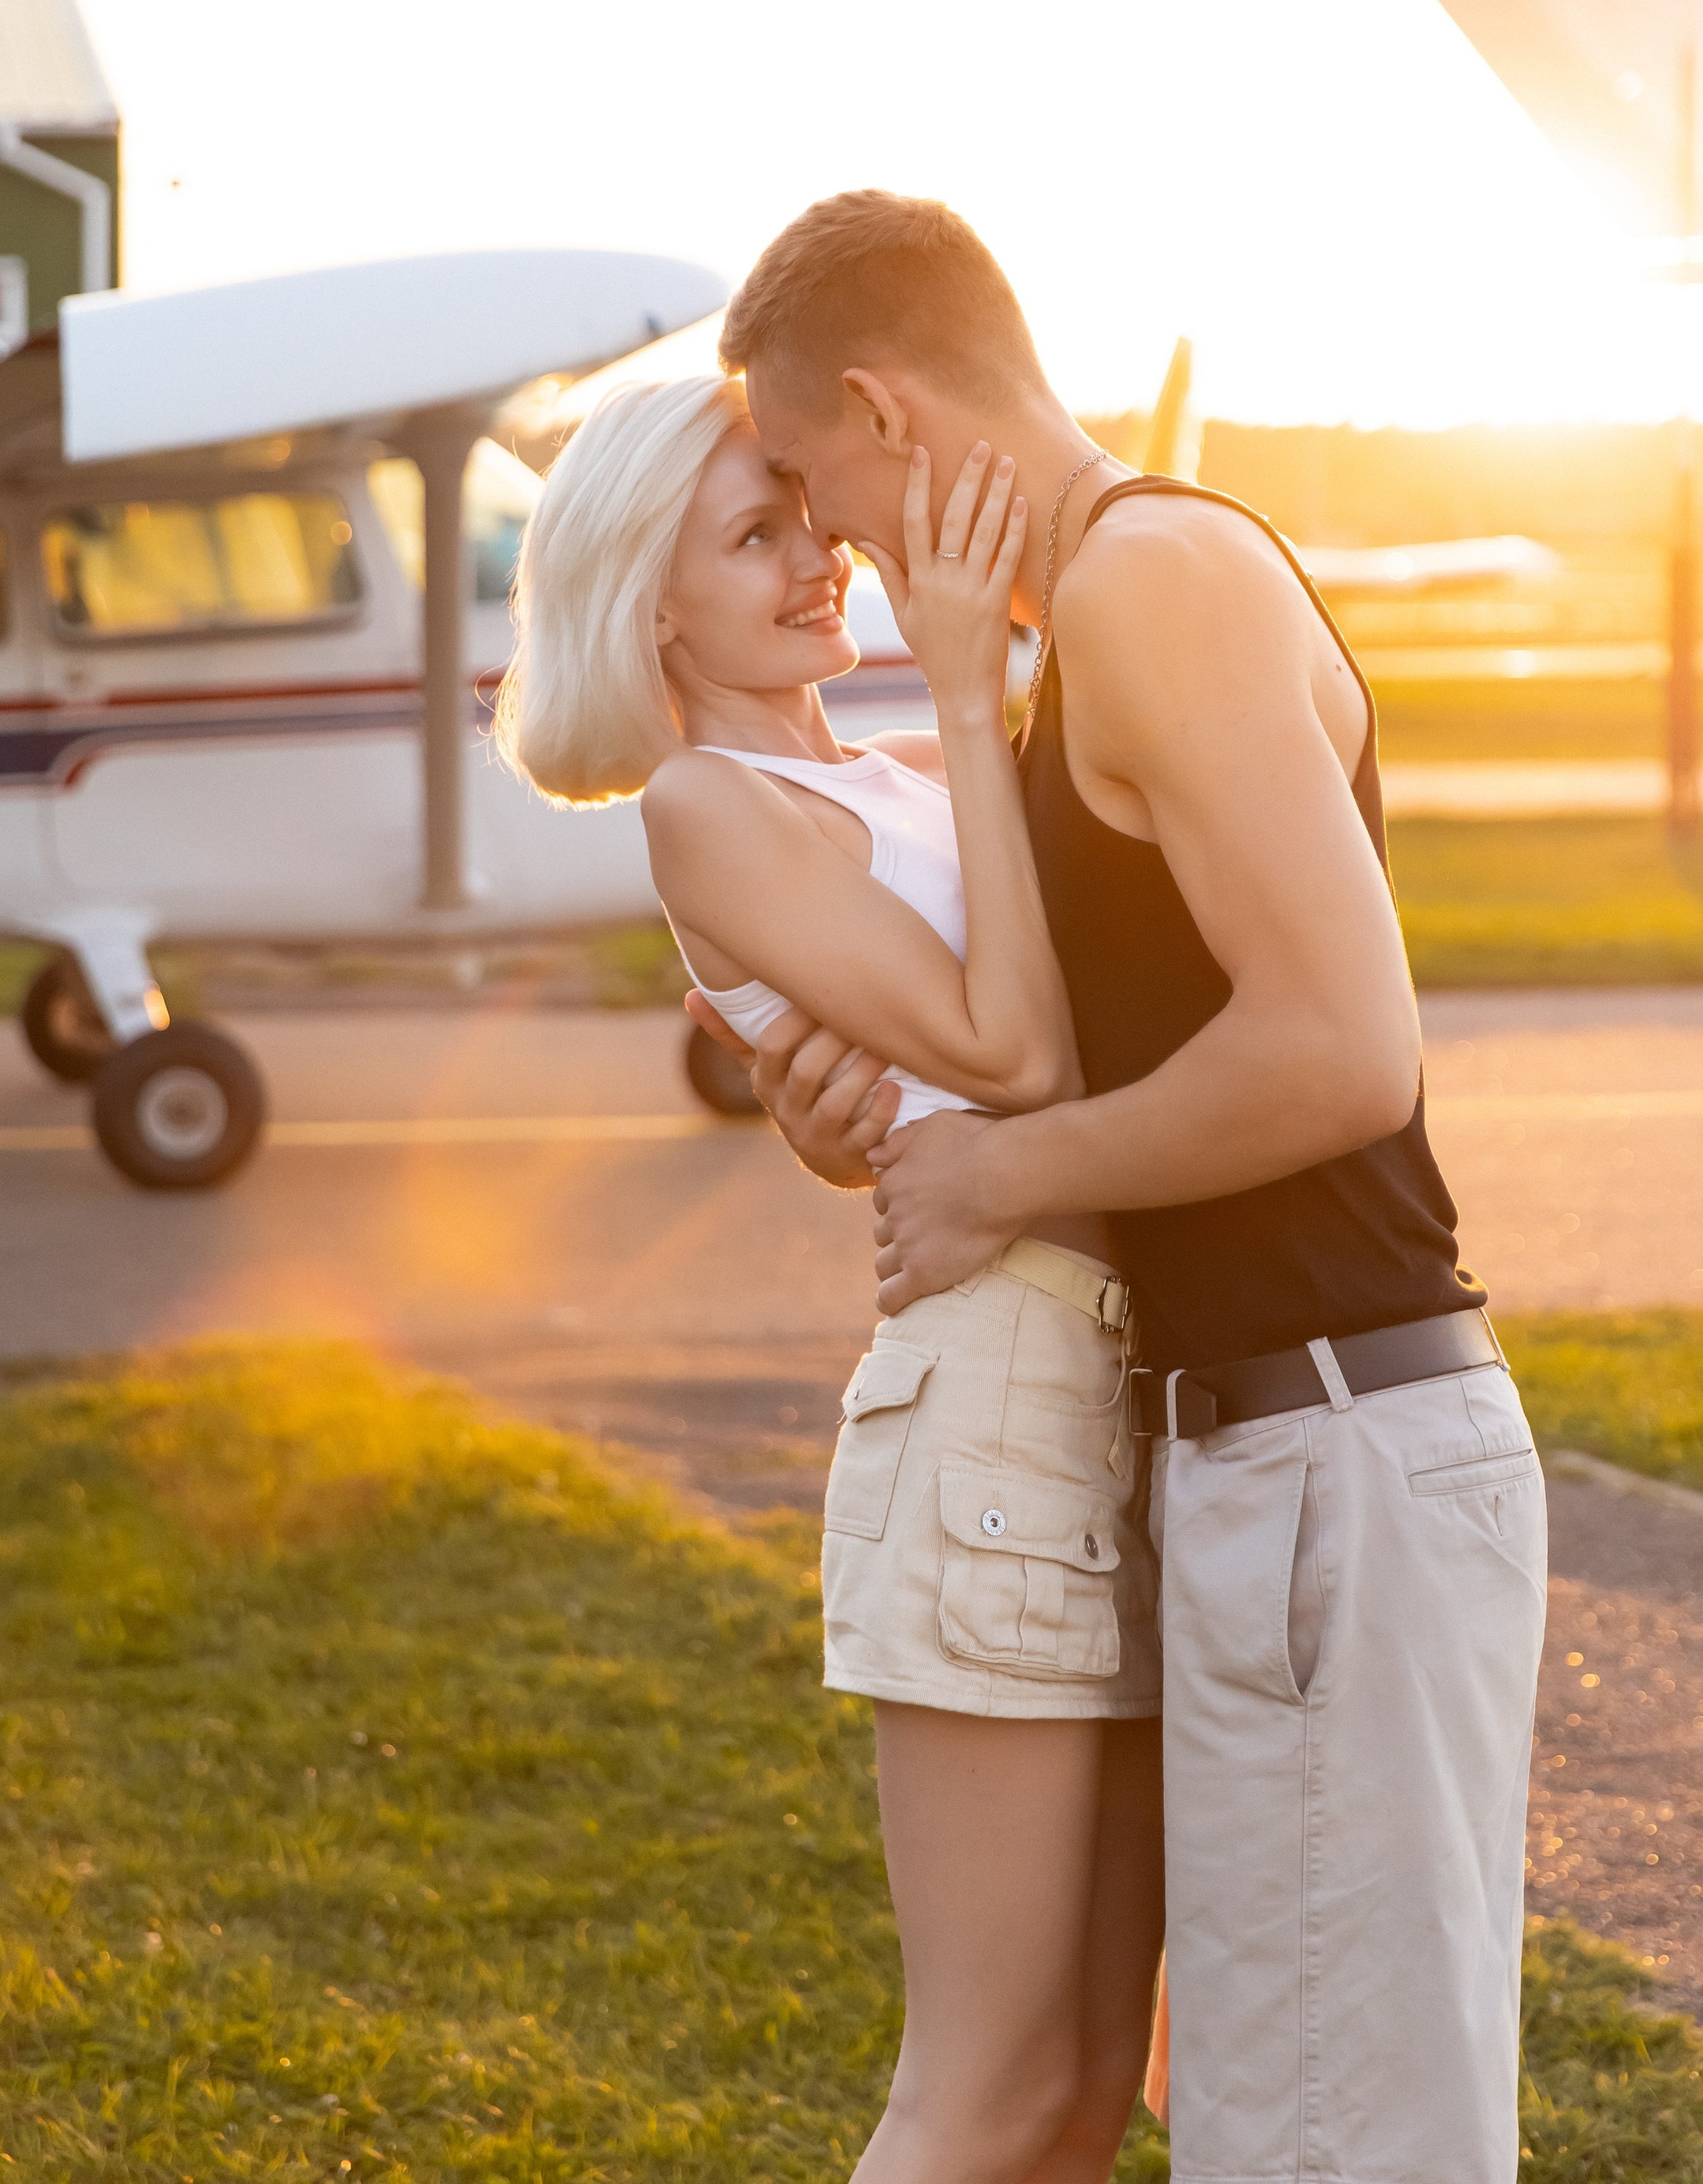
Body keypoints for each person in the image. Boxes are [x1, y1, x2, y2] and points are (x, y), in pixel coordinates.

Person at [702, 191, 1548, 2184]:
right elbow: (1084, 1046)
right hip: (1245, 1468)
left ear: (883, 406)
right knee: (1264, 2126)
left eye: (810, 476)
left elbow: (1341, 1048)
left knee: (1341, 2147)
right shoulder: (1051, 641)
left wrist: (999, 1173)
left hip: (1332, 1444)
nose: (819, 532)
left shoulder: (1154, 581)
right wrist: (865, 1115)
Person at [494, 370, 1164, 2184]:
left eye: (802, 512)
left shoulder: (878, 776)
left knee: (1097, 2076)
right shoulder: (708, 802)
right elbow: (1016, 1056)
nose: (817, 560)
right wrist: (961, 682)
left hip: (1116, 1381)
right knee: (981, 2092)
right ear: (653, 606)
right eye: (755, 536)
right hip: (994, 1406)